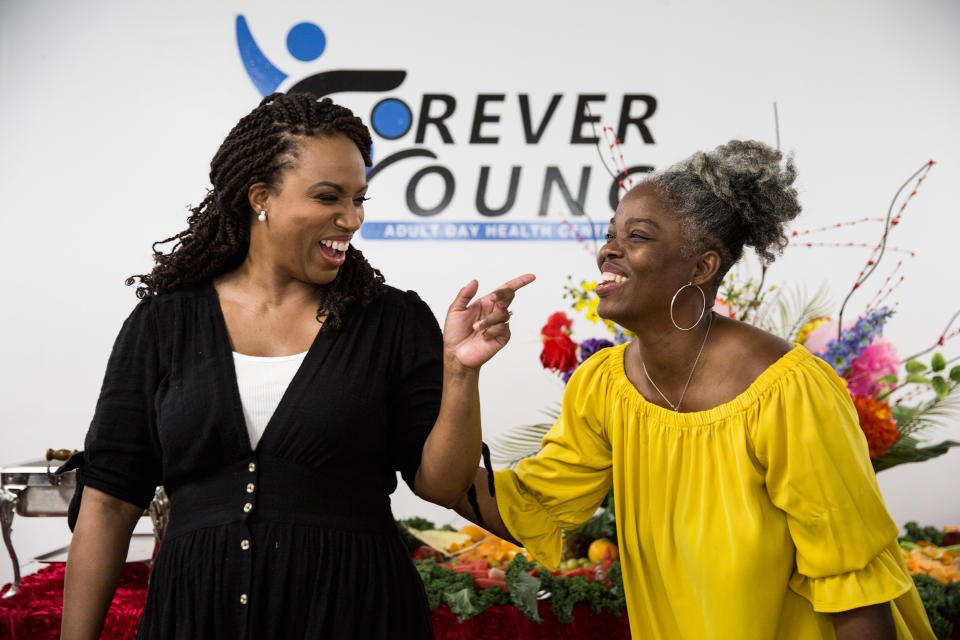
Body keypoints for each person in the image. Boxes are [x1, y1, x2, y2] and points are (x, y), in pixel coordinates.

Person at [60, 92, 534, 640]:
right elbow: (109, 503)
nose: (352, 218)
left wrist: (460, 373)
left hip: (356, 613)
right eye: (329, 196)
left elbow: (440, 483)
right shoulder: (164, 324)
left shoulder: (393, 321)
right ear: (260, 196)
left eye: (360, 198)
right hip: (195, 616)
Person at [455, 140, 936, 639]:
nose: (608, 250)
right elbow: (534, 507)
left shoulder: (787, 391)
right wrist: (458, 376)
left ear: (702, 267)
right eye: (610, 234)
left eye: (636, 236)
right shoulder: (605, 386)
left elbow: (854, 582)